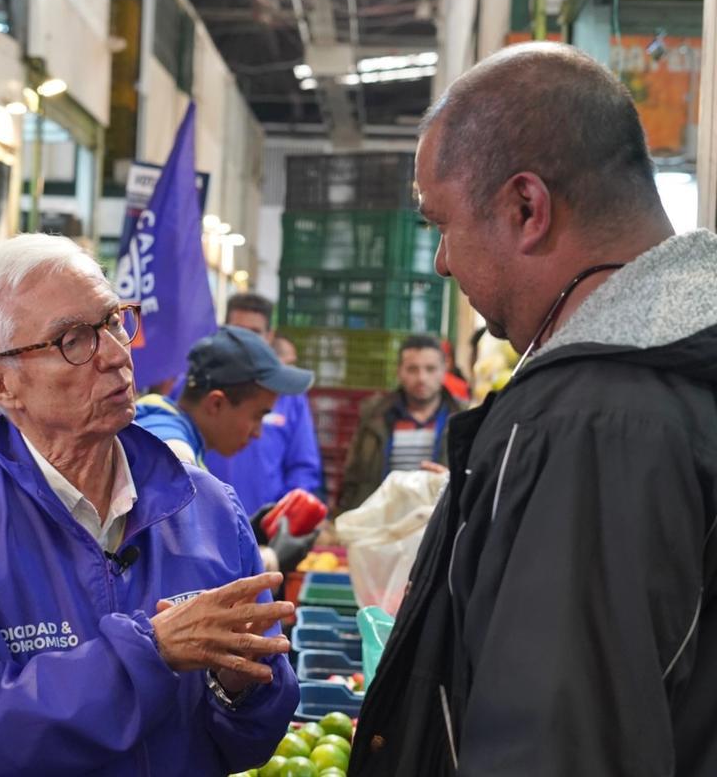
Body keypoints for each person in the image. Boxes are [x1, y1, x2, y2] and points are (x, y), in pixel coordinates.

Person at [352, 43, 717, 776]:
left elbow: (555, 744)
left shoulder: (590, 425)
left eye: (441, 222)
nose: (442, 261)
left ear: (526, 208)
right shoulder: (673, 366)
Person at [0, 234, 300, 775]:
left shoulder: (208, 506)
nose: (117, 355)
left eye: (115, 321)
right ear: (0, 384)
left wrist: (241, 686)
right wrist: (150, 653)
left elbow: (250, 744)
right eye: (73, 339)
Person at [134, 326, 319, 577]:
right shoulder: (175, 451)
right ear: (216, 403)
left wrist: (240, 533)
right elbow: (187, 568)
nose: (257, 433)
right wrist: (270, 560)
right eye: (257, 416)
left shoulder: (162, 412)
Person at [206, 292, 323, 511]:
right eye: (237, 332)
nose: (245, 342)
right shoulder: (196, 385)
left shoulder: (290, 394)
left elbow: (303, 467)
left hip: (263, 530)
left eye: (255, 333)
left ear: (270, 337)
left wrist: (283, 516)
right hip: (203, 527)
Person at [336, 333, 464, 514]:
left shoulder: (463, 419)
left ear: (444, 370)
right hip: (380, 523)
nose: (421, 378)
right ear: (399, 371)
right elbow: (353, 477)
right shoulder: (374, 416)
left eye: (430, 369)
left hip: (436, 524)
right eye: (412, 369)